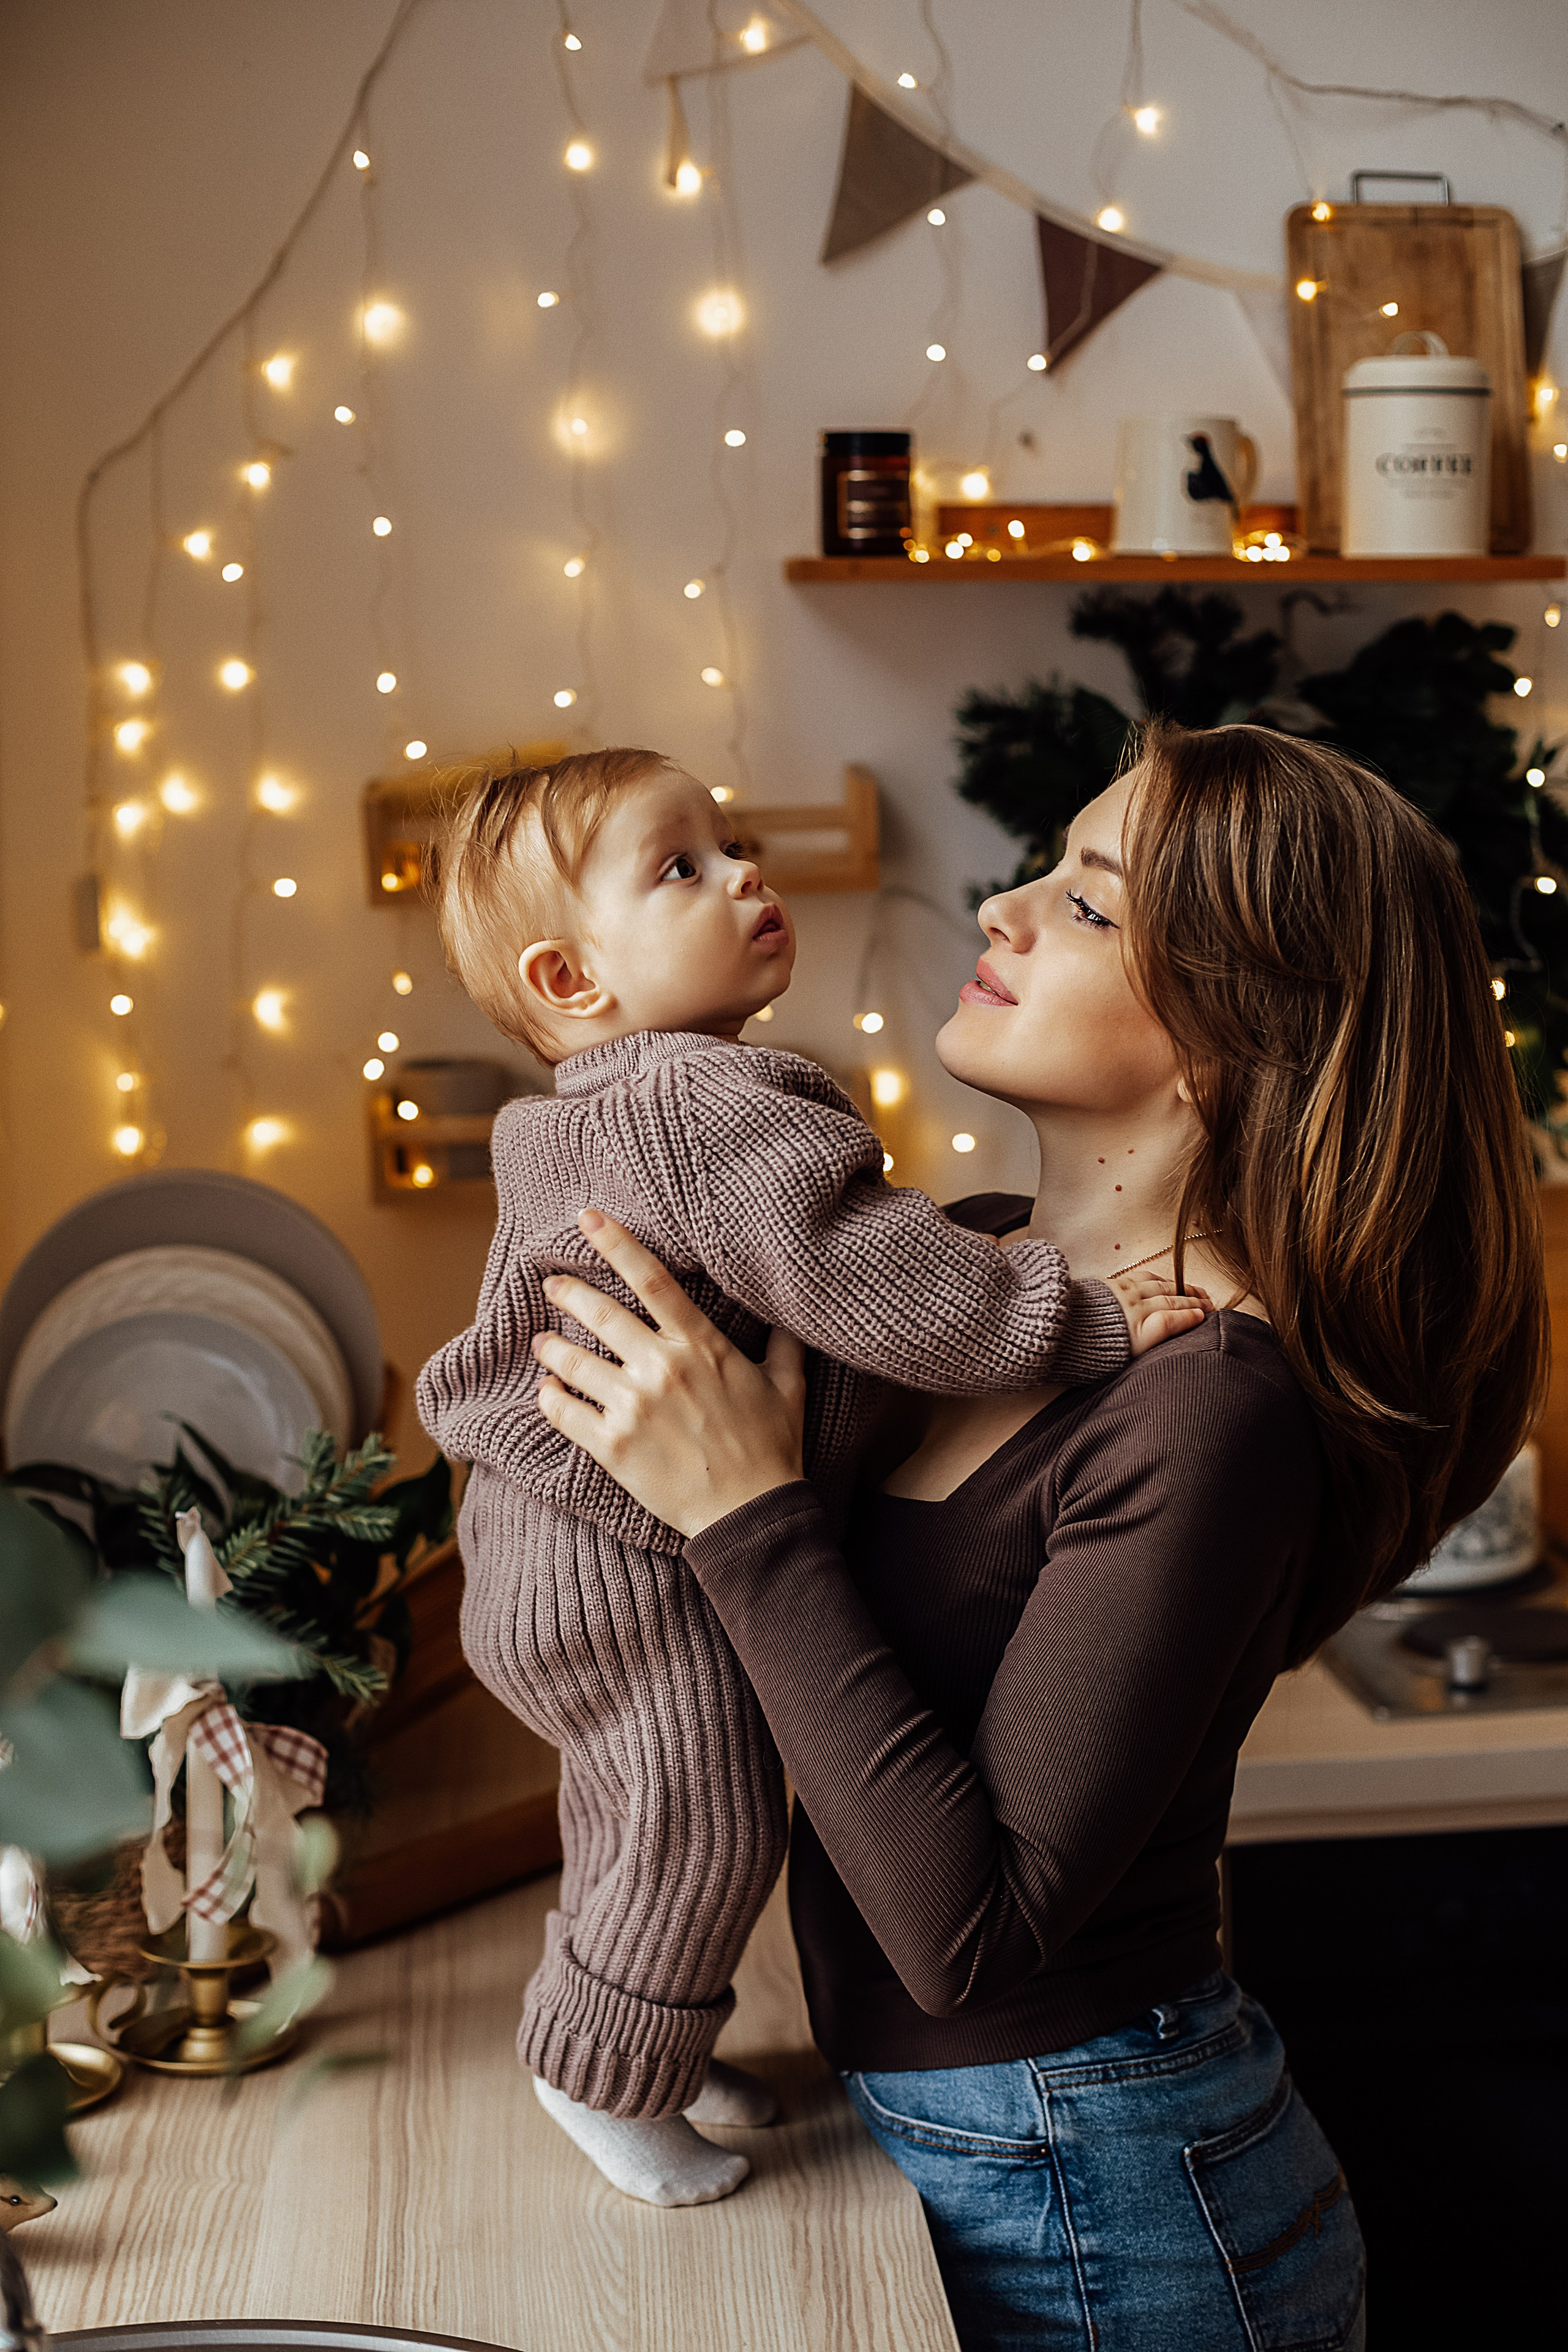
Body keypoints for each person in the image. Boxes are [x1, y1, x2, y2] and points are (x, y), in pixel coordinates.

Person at [524, 723, 1547, 2350]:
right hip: (950, 2139)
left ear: (1234, 1036)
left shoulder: (1212, 1401)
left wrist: (744, 1510)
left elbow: (970, 1931)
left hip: (1113, 2191)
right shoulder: (971, 1281)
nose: (1001, 905)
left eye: (1086, 904)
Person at [416, 747, 1204, 2209]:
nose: (741, 875)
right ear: (572, 979)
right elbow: (872, 1274)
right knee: (693, 1807)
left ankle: (646, 2031)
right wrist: (1076, 1317)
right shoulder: (709, 1103)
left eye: (729, 845)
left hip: (551, 1540)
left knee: (640, 1800)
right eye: (682, 870)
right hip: (617, 1542)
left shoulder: (600, 1105)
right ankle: (600, 2065)